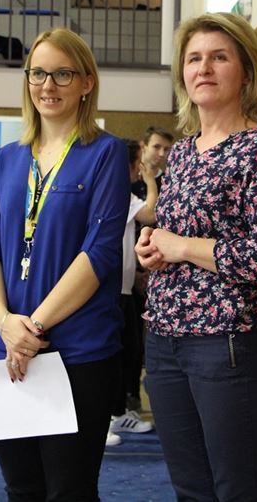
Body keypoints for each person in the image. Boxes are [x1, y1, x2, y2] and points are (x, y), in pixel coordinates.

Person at [135, 12, 257, 501]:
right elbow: (176, 235)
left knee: (237, 492)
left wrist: (184, 247)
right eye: (193, 59)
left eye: (218, 57)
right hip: (164, 339)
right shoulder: (183, 152)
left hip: (226, 344)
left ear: (245, 72)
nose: (203, 68)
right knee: (191, 489)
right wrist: (154, 248)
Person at [0, 28, 129, 500]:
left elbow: (99, 253)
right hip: (1, 347)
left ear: (86, 82)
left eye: (62, 74)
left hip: (75, 351)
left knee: (69, 491)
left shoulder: (105, 153)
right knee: (22, 488)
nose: (48, 85)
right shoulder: (7, 159)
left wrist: (33, 327)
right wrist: (4, 323)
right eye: (38, 73)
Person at [107, 139, 156, 446]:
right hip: (111, 288)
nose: (140, 168)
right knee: (110, 356)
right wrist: (151, 181)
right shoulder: (117, 193)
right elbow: (151, 213)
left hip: (124, 288)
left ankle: (118, 412)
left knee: (125, 354)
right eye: (138, 163)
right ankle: (103, 419)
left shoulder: (123, 194)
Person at [127, 125, 173, 413]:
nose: (161, 154)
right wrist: (135, 272)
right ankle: (128, 397)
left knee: (144, 341)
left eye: (166, 149)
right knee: (128, 340)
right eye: (156, 147)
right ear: (143, 147)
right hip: (128, 272)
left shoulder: (170, 182)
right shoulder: (127, 181)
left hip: (160, 271)